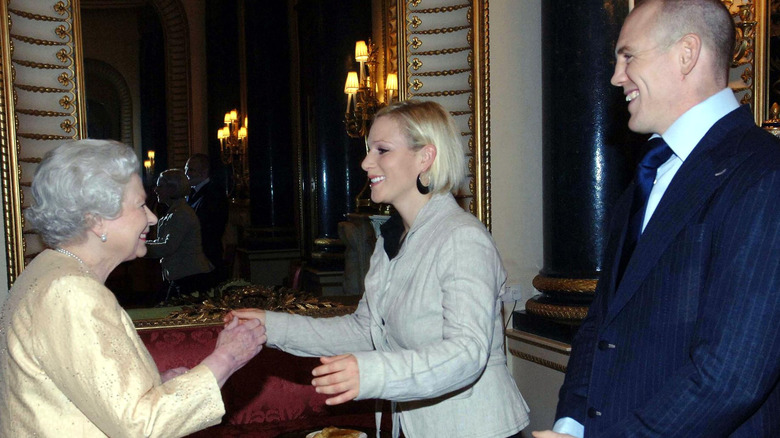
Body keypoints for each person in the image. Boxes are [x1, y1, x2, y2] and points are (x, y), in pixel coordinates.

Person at [534, 1, 780, 437]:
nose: (615, 76)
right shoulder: (647, 176)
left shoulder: (765, 173)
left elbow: (731, 375)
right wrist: (572, 426)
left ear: (686, 54)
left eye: (628, 56)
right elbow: (600, 326)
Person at [229, 100, 530, 438]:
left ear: (425, 157)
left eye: (381, 150)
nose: (365, 162)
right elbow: (365, 331)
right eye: (368, 150)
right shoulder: (394, 238)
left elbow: (466, 353)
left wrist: (371, 373)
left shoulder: (461, 238)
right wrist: (270, 327)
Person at [0, 139, 267, 437]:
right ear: (96, 219)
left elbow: (75, 392)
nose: (152, 217)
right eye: (140, 205)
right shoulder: (71, 291)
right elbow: (142, 426)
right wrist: (226, 358)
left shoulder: (48, 269)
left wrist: (158, 382)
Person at [146, 168, 214, 301]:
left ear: (172, 188)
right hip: (183, 277)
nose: (155, 190)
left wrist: (138, 248)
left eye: (160, 186)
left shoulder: (181, 214)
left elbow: (167, 247)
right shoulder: (175, 212)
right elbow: (162, 241)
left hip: (191, 278)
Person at [185, 154, 229, 283]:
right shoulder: (192, 193)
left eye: (191, 170)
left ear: (204, 171)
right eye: (186, 169)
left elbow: (209, 228)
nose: (187, 173)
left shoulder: (214, 194)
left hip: (207, 257)